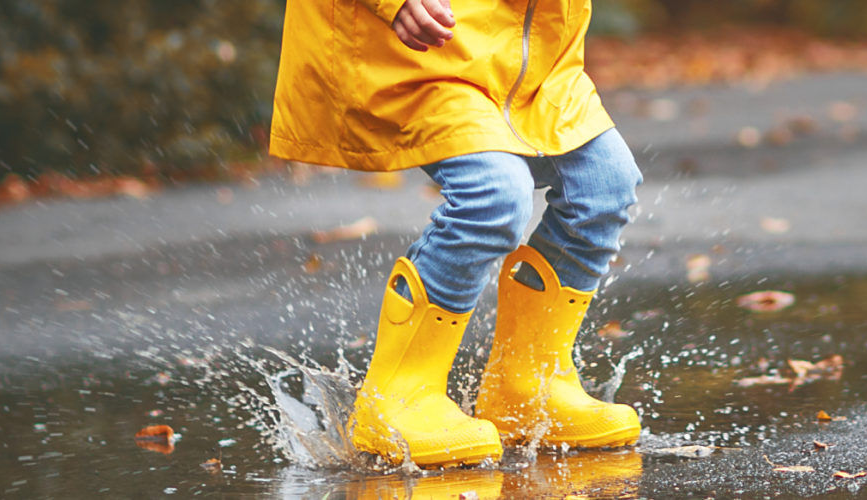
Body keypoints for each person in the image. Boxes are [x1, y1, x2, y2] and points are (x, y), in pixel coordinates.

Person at [270, 0, 643, 467]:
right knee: (493, 197)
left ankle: (528, 388)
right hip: (425, 58)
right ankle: (398, 400)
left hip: (533, 58)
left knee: (605, 187)